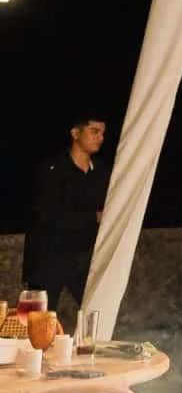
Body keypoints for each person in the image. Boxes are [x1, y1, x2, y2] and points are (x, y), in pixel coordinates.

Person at [22, 115, 110, 316]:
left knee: (98, 312)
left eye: (102, 133)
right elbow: (46, 215)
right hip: (49, 256)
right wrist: (94, 217)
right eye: (94, 131)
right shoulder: (52, 169)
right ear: (75, 133)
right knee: (40, 318)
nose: (100, 138)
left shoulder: (102, 171)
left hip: (85, 258)